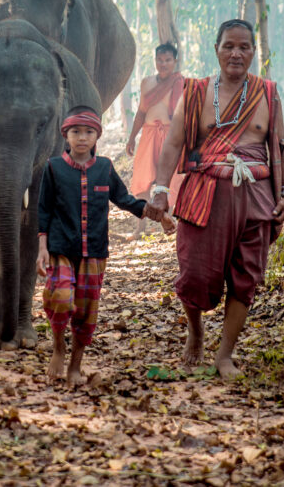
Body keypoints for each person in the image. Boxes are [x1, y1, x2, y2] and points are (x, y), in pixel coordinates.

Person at [144, 19, 284, 379]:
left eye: (244, 47)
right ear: (216, 49)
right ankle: (196, 332)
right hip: (204, 195)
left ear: (254, 52)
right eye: (229, 46)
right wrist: (160, 189)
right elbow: (174, 143)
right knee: (195, 274)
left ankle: (224, 355)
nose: (236, 53)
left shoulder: (268, 94)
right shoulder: (195, 92)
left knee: (246, 278)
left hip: (256, 198)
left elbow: (282, 145)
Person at [37, 106, 175, 386]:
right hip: (60, 248)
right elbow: (43, 211)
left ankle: (75, 365)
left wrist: (159, 216)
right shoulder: (53, 168)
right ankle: (58, 347)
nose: (82, 138)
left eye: (88, 132)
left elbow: (125, 199)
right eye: (76, 132)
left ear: (97, 136)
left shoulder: (105, 168)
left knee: (87, 312)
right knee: (60, 298)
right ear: (66, 136)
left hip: (94, 252)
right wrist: (42, 248)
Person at [125, 42, 186, 239]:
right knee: (142, 180)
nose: (164, 64)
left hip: (171, 135)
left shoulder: (181, 82)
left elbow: (186, 115)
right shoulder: (147, 83)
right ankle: (139, 227)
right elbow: (141, 113)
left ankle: (168, 221)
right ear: (155, 61)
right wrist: (132, 137)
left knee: (171, 178)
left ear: (175, 62)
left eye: (168, 60)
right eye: (160, 60)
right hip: (149, 133)